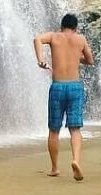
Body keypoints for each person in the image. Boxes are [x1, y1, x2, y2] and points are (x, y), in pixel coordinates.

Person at [34, 13, 94, 181]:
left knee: (54, 130)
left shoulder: (54, 36)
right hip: (75, 87)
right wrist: (77, 57)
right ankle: (76, 160)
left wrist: (41, 59)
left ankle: (55, 168)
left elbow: (37, 39)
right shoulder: (80, 39)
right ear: (75, 28)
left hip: (58, 86)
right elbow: (90, 60)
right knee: (75, 129)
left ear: (62, 26)